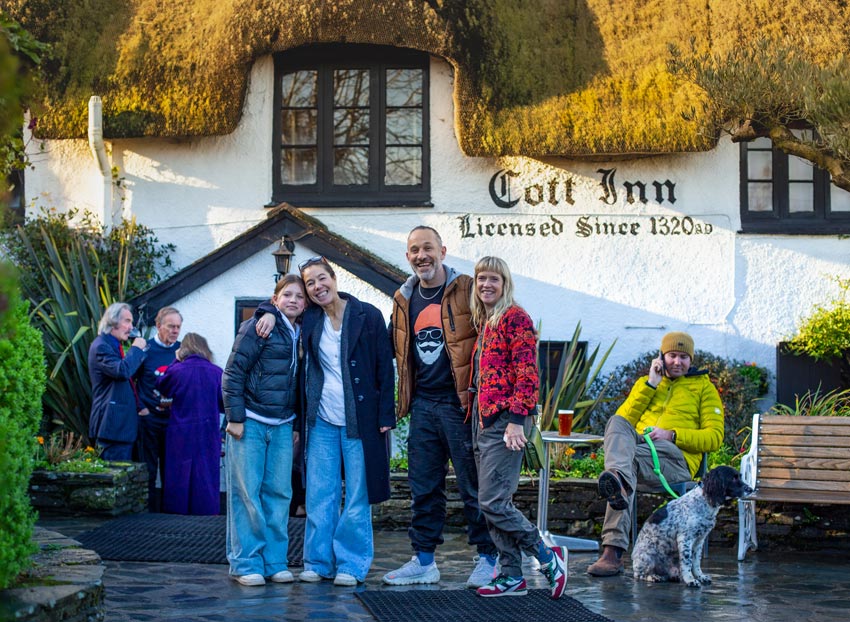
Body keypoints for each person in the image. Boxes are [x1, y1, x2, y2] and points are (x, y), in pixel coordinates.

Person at [383, 226, 499, 589]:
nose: (422, 255)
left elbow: (498, 324)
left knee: (473, 486)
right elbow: (393, 347)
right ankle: (424, 560)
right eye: (415, 249)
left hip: (460, 404)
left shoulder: (466, 288)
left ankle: (488, 557)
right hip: (422, 404)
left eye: (428, 248)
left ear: (443, 251)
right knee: (424, 487)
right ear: (408, 256)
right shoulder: (403, 298)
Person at [467, 256, 568, 599]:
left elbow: (528, 375)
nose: (486, 285)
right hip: (484, 422)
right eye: (481, 278)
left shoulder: (515, 319)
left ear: (505, 283)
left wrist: (516, 421)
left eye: (493, 279)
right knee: (493, 502)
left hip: (505, 421)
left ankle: (545, 555)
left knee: (493, 502)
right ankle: (511, 575)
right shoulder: (487, 321)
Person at [587, 331, 724, 577]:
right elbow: (623, 425)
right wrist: (650, 385)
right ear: (662, 356)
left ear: (691, 360)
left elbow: (714, 437)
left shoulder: (703, 388)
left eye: (684, 357)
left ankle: (612, 553)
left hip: (675, 457)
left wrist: (672, 435)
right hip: (640, 451)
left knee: (622, 469)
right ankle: (618, 478)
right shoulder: (647, 383)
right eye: (672, 355)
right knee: (616, 424)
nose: (678, 362)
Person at [295, 256, 395, 587]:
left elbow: (384, 367)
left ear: (334, 279)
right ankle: (318, 561)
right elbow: (278, 304)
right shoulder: (309, 318)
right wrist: (266, 312)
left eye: (321, 278)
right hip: (321, 420)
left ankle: (351, 565)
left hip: (360, 420)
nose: (317, 286)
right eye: (310, 283)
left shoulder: (368, 315)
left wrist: (385, 414)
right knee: (319, 494)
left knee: (356, 494)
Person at [221, 275, 306, 586]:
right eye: (287, 294)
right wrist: (235, 417)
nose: (293, 300)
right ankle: (245, 563)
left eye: (299, 295)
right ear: (275, 299)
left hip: (283, 426)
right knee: (247, 494)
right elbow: (233, 371)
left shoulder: (303, 331)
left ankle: (274, 562)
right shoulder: (259, 326)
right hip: (251, 422)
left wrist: (295, 423)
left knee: (279, 494)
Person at [155, 332, 223, 515]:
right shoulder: (216, 372)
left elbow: (162, 386)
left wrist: (175, 361)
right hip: (207, 432)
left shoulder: (177, 370)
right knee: (206, 474)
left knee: (179, 473)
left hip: (180, 431)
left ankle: (176, 512)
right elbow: (225, 404)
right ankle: (207, 512)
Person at [134, 306, 183, 511]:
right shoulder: (146, 350)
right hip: (150, 419)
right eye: (171, 326)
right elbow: (130, 381)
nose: (175, 331)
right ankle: (147, 511)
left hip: (174, 420)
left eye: (178, 327)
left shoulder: (182, 350)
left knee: (172, 468)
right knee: (149, 467)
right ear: (158, 326)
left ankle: (169, 512)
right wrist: (140, 408)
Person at [88, 302, 147, 461]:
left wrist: (139, 406)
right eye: (127, 321)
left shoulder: (113, 346)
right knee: (111, 478)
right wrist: (136, 349)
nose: (131, 327)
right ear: (112, 322)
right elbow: (122, 372)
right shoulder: (101, 346)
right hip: (111, 429)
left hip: (120, 429)